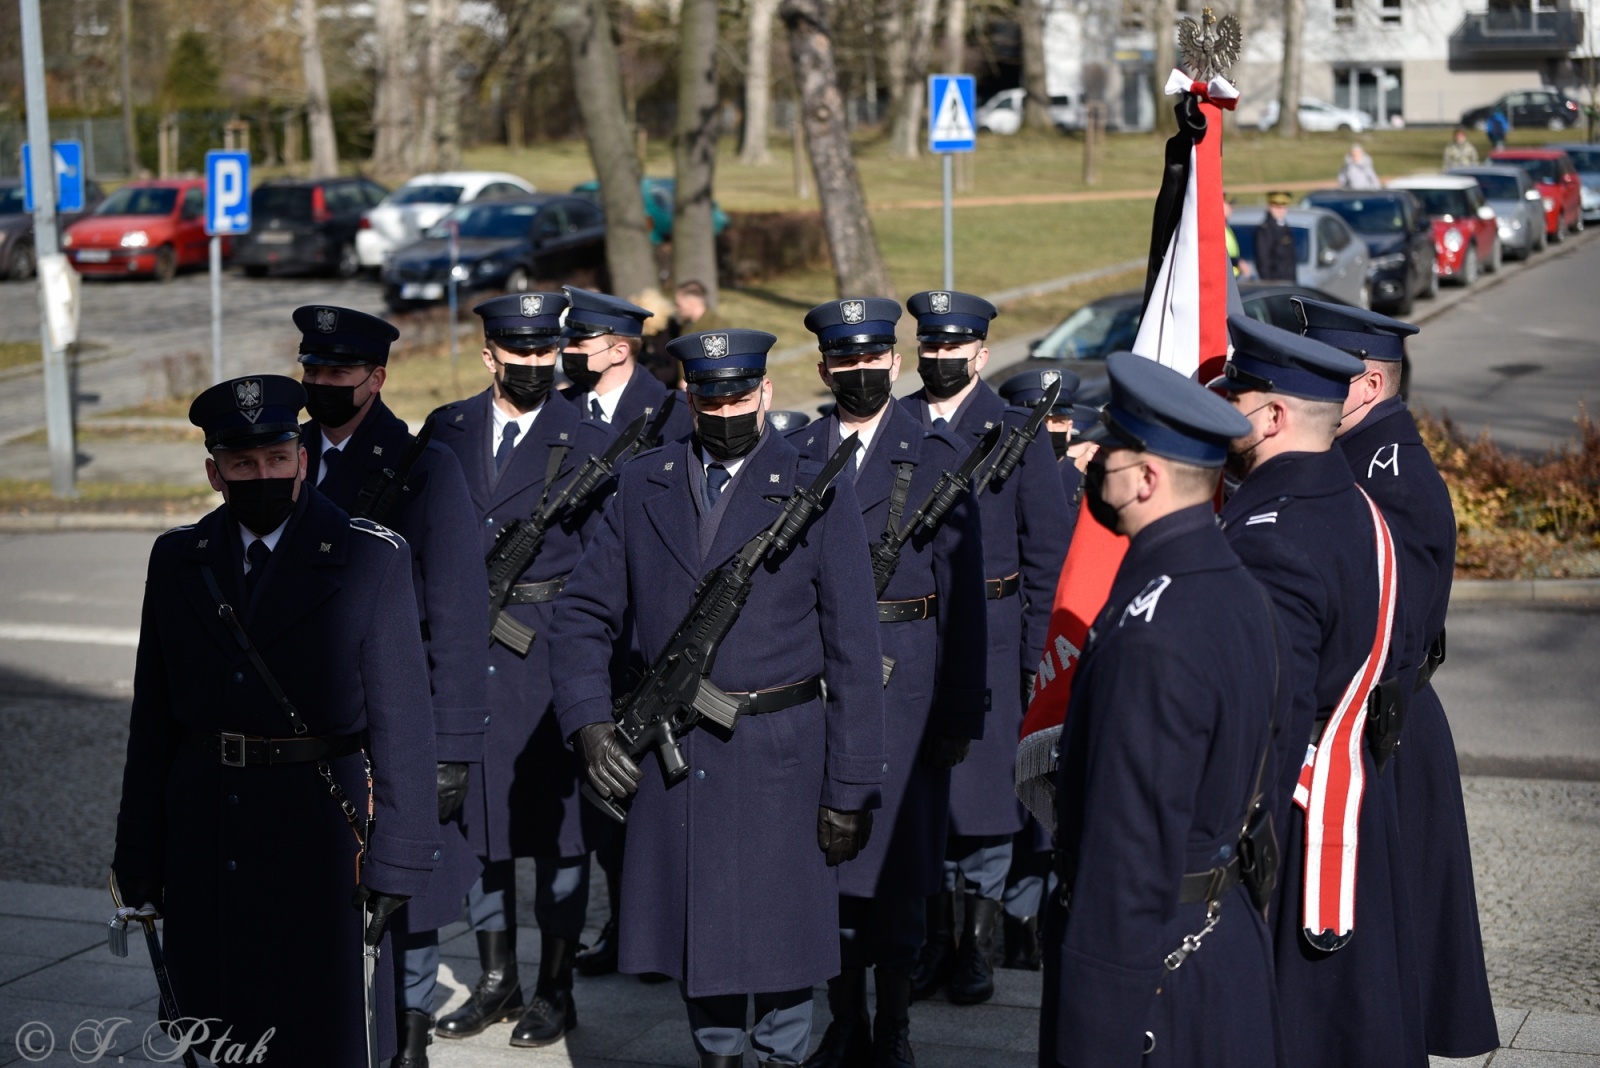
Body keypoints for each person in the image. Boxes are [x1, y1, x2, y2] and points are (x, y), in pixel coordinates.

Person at [549, 326, 886, 1068]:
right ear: (688, 397)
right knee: (701, 954)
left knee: (787, 955)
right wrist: (590, 724)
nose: (725, 411)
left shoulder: (813, 488)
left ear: (765, 392)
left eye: (739, 395)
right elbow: (579, 617)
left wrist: (850, 788)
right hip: (678, 762)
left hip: (784, 760)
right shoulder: (645, 482)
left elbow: (855, 652)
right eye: (709, 397)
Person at [112, 375, 439, 1065]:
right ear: (214, 471)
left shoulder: (369, 557)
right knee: (217, 1028)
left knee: (318, 1035)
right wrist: (138, 856)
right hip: (209, 831)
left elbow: (403, 725)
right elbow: (152, 722)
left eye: (276, 459)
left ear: (302, 458)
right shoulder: (179, 559)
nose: (262, 475)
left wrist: (400, 859)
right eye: (242, 464)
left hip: (317, 835)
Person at [1040, 353, 1281, 1068]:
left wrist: (1092, 1037)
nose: (1094, 457)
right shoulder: (1230, 583)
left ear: (1146, 478)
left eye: (1110, 446)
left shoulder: (1153, 634)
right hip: (1216, 941)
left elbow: (1127, 854)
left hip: (1153, 972)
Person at [1211, 315, 1428, 1068]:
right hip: (1348, 795)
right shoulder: (1352, 506)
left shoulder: (1272, 534)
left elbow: (1265, 713)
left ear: (1273, 416)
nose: (1223, 402)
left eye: (1236, 392)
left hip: (1292, 820)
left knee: (1292, 1025)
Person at [1298, 297, 1500, 1059]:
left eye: (1326, 374)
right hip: (1371, 727)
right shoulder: (1353, 458)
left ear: (1369, 386)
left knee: (1390, 939)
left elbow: (1393, 633)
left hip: (1387, 730)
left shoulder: (1393, 473)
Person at [793, 298, 989, 1066]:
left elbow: (965, 597)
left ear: (896, 364)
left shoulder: (933, 453)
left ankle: (896, 1024)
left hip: (908, 682)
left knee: (902, 868)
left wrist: (958, 711)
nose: (860, 374)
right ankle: (845, 1020)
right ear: (823, 369)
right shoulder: (799, 453)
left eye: (873, 361)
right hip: (823, 688)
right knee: (831, 863)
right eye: (845, 362)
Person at [292, 305, 489, 1068]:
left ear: (376, 378)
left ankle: (406, 1042)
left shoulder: (422, 465)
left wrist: (454, 744)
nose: (322, 385)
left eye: (338, 373)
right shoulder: (288, 452)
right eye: (312, 370)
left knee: (405, 882)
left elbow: (457, 614)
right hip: (307, 715)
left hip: (393, 713)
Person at [427, 292, 618, 1050]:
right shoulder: (450, 429)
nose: (536, 366)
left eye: (547, 353)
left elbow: (610, 569)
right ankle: (496, 977)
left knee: (560, 837)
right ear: (490, 357)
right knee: (481, 829)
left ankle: (555, 987)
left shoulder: (588, 436)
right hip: (469, 657)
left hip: (550, 657)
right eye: (520, 354)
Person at [900, 291, 1072, 1006]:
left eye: (954, 348)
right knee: (924, 800)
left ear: (981, 354)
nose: (940, 359)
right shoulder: (896, 422)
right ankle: (934, 941)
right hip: (913, 638)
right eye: (929, 347)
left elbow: (1046, 561)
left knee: (986, 801)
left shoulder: (1015, 432)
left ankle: (975, 947)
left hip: (999, 640)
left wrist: (1038, 665)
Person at [560, 285, 694, 443]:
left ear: (618, 353)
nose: (567, 350)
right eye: (568, 342)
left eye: (579, 345)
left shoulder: (674, 412)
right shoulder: (559, 406)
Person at [1254, 192, 1299, 283]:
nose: (1280, 210)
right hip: (1275, 283)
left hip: (1289, 281)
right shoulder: (1265, 230)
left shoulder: (1285, 227)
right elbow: (1263, 262)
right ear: (1269, 207)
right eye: (1276, 207)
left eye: (1283, 207)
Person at [1224, 195, 1254, 279]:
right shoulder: (1217, 228)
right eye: (1229, 205)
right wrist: (1238, 262)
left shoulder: (1226, 227)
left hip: (1233, 277)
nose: (1232, 208)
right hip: (1227, 278)